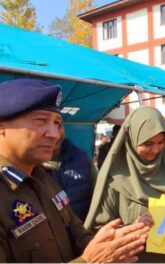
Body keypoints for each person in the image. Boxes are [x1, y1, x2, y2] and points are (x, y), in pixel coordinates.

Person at [0, 79, 151, 262]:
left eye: (56, 123)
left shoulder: (44, 178)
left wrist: (112, 243)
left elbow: (75, 231)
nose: (55, 134)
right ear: (2, 127)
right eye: (41, 120)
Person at [85, 106, 165, 263]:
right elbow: (100, 230)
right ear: (131, 140)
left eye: (161, 142)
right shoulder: (114, 179)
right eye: (147, 143)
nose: (155, 150)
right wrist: (132, 229)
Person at [44, 122, 98, 221]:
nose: (55, 133)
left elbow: (100, 196)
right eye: (43, 124)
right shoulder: (28, 167)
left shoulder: (82, 158)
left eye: (58, 124)